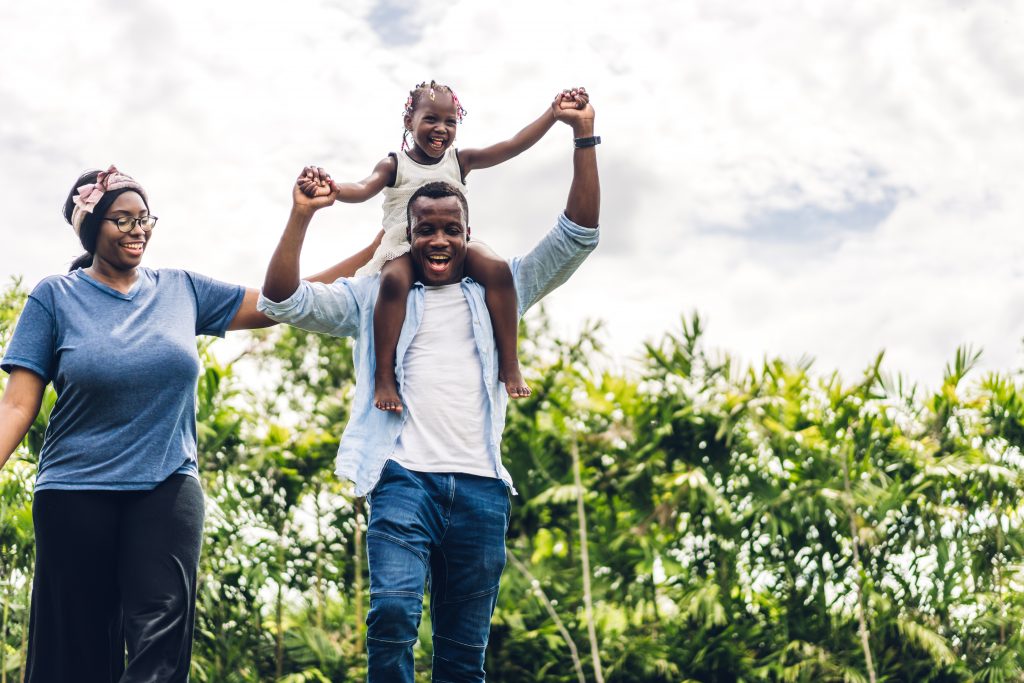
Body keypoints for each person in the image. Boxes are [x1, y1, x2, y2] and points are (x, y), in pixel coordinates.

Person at [259, 91, 599, 682]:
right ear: (407, 232)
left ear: (469, 231)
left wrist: (582, 136)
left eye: (451, 231)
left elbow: (578, 236)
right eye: (425, 231)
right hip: (402, 480)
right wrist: (302, 216)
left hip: (480, 489)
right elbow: (281, 301)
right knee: (391, 615)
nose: (438, 242)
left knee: (463, 654)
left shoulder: (502, 289)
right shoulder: (374, 296)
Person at [0, 165, 379, 682]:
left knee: (161, 642)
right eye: (122, 220)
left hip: (166, 484)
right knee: (77, 651)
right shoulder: (54, 297)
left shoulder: (181, 290)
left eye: (144, 218)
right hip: (74, 490)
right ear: (90, 228)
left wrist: (372, 249)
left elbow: (279, 302)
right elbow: (17, 405)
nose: (138, 230)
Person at [308, 80, 588, 412]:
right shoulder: (394, 164)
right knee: (393, 282)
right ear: (409, 121)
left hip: (454, 246)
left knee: (498, 270)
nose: (441, 129)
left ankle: (510, 363)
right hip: (404, 245)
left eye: (450, 122)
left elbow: (512, 145)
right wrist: (335, 189)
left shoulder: (460, 160)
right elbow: (364, 187)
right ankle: (383, 376)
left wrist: (552, 115)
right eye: (430, 119)